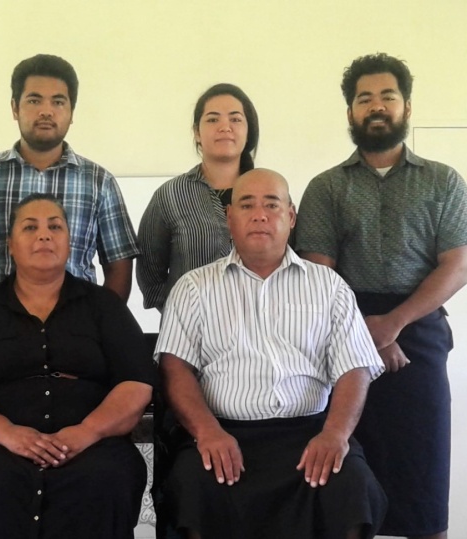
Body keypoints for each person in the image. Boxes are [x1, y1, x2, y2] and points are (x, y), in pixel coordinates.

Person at [157, 169, 387, 539]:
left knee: (352, 487)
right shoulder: (193, 287)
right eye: (247, 204)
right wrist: (207, 431)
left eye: (272, 204)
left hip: (310, 432)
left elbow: (354, 368)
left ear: (291, 217)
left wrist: (335, 435)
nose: (260, 214)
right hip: (223, 433)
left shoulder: (328, 286)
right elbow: (175, 368)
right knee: (192, 486)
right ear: (229, 217)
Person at [295, 53, 467, 539]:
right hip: (340, 336)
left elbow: (457, 264)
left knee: (424, 474)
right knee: (347, 477)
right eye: (363, 98)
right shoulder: (326, 188)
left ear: (406, 107)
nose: (376, 107)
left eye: (386, 97)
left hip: (421, 334)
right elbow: (318, 275)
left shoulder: (444, 181)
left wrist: (394, 324)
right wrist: (366, 332)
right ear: (350, 112)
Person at [0, 193, 155, 539]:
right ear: (11, 245)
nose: (44, 235)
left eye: (55, 226)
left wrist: (87, 431)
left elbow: (136, 384)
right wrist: (6, 433)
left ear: (69, 241)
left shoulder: (104, 308)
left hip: (91, 443)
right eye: (30, 227)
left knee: (106, 478)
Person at [0, 54, 138, 308]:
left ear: (71, 111)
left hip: (78, 329)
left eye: (58, 102)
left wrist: (101, 325)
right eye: (34, 100)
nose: (46, 111)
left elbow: (119, 265)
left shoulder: (99, 182)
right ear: (15, 107)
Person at [137, 83, 259, 312]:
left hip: (260, 336)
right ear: (196, 132)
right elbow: (150, 275)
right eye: (213, 120)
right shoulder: (170, 195)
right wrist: (181, 315)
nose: (225, 127)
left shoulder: (270, 195)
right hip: (188, 339)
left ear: (248, 130)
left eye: (235, 119)